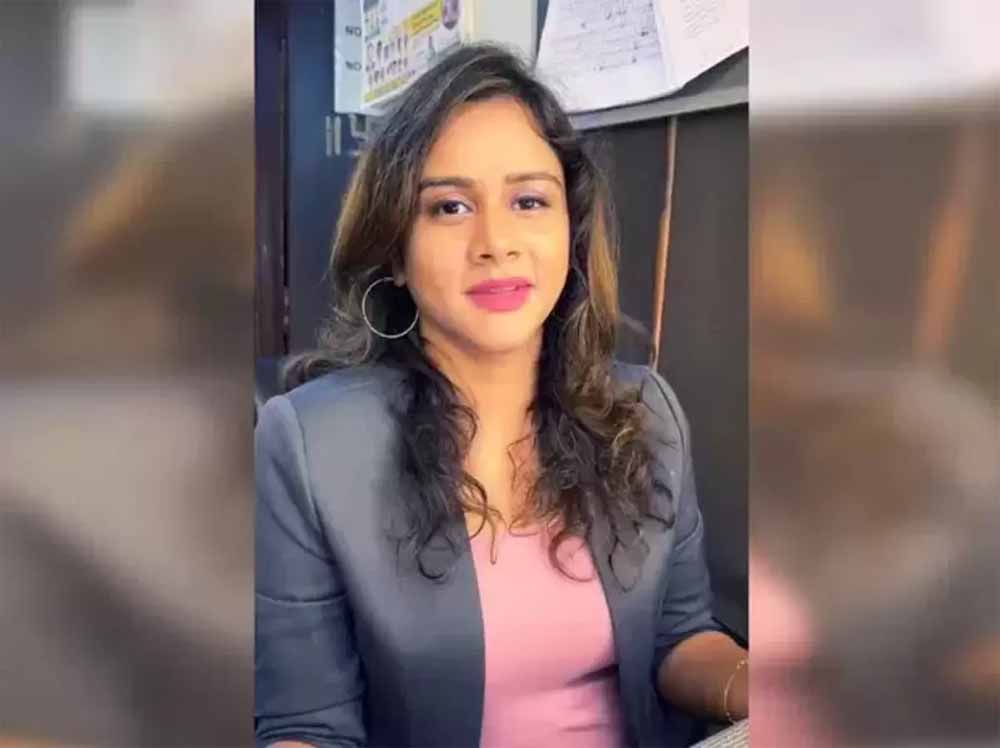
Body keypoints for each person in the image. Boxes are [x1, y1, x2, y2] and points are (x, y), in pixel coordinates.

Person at [255, 44, 747, 748]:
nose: (496, 242)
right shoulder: (307, 445)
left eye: (529, 201)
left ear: (570, 230)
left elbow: (680, 635)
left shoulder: (645, 412)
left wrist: (761, 690)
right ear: (395, 250)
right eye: (450, 207)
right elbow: (307, 725)